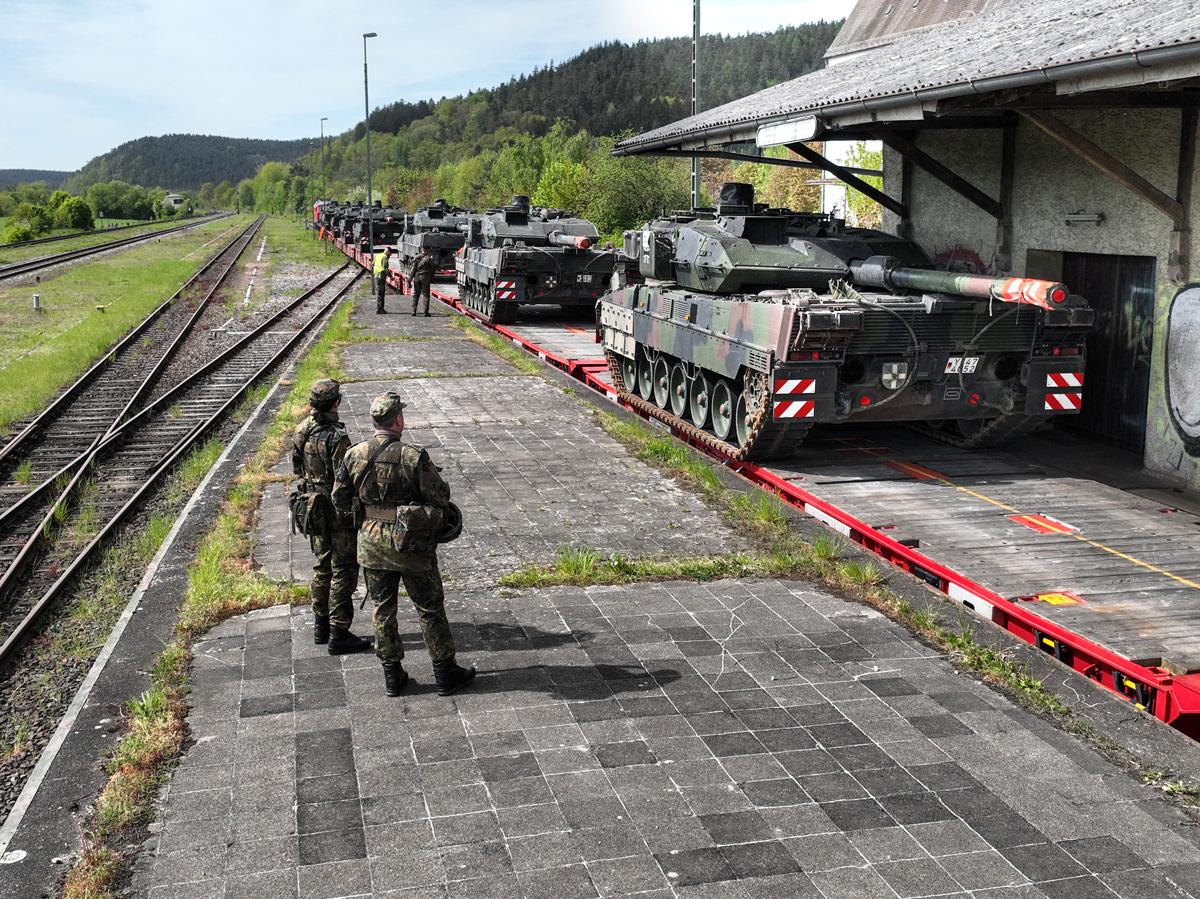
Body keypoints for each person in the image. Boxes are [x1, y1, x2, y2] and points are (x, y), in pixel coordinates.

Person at [332, 392, 475, 697]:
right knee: (429, 607)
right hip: (411, 544)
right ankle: (444, 673)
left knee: (382, 610)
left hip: (371, 542)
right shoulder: (413, 456)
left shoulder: (353, 454)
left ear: (374, 421)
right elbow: (440, 496)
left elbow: (339, 499)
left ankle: (392, 676)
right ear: (398, 419)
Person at [292, 379, 371, 654]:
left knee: (322, 565)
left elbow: (296, 467)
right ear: (335, 403)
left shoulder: (302, 430)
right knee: (344, 569)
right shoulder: (337, 437)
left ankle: (320, 626)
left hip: (312, 509)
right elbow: (345, 476)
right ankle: (339, 631)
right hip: (337, 510)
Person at [410, 246, 435, 317]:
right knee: (426, 295)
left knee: (416, 294)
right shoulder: (429, 258)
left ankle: (413, 311)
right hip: (425, 278)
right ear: (427, 250)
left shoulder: (416, 257)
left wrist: (410, 279)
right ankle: (425, 312)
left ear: (422, 250)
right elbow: (434, 267)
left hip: (417, 277)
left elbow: (413, 270)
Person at [373, 246, 395, 314]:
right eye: (390, 254)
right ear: (388, 252)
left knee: (379, 293)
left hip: (376, 276)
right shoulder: (385, 257)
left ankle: (379, 308)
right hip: (381, 277)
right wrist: (391, 277)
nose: (390, 256)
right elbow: (386, 269)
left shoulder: (378, 255)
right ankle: (380, 309)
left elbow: (372, 264)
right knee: (381, 294)